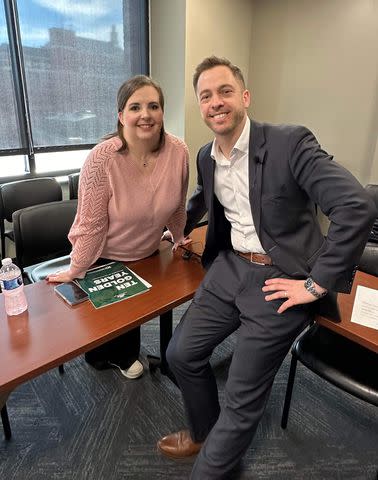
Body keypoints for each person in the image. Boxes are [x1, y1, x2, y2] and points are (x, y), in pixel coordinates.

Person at [157, 56, 376, 478]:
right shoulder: (206, 155)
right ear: (200, 106)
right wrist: (178, 228)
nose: (215, 103)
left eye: (224, 91)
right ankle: (204, 431)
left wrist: (314, 286)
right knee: (180, 353)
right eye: (206, 96)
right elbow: (205, 196)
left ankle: (214, 465)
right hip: (229, 269)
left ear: (244, 96)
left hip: (283, 280)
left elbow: (356, 207)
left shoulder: (289, 143)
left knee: (241, 392)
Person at [47, 75, 189, 380]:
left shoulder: (179, 152)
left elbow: (177, 203)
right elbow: (91, 224)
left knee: (136, 317)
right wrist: (76, 268)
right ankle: (111, 358)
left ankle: (124, 353)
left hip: (148, 251)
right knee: (105, 337)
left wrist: (178, 237)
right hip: (105, 255)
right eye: (135, 107)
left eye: (153, 106)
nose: (146, 114)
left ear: (163, 112)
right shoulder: (102, 159)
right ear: (121, 115)